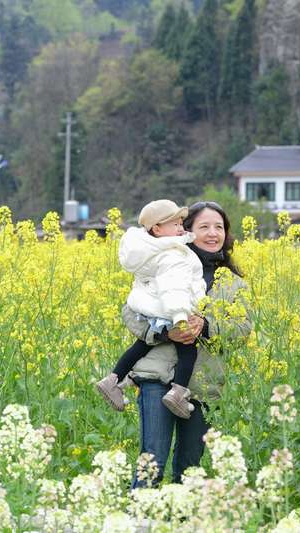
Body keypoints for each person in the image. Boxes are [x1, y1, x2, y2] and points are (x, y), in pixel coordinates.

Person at [122, 201, 250, 487]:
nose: (212, 233)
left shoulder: (233, 283)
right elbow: (130, 312)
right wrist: (166, 332)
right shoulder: (162, 263)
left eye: (219, 227)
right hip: (157, 375)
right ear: (186, 231)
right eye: (203, 226)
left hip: (203, 383)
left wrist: (205, 326)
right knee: (152, 457)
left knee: (190, 464)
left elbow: (242, 329)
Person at [96, 199, 206, 418]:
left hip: (150, 308)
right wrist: (180, 316)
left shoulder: (145, 249)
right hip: (168, 309)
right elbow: (173, 286)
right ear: (157, 228)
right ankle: (178, 392)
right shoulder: (171, 253)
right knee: (188, 346)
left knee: (141, 345)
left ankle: (113, 379)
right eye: (175, 224)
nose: (181, 228)